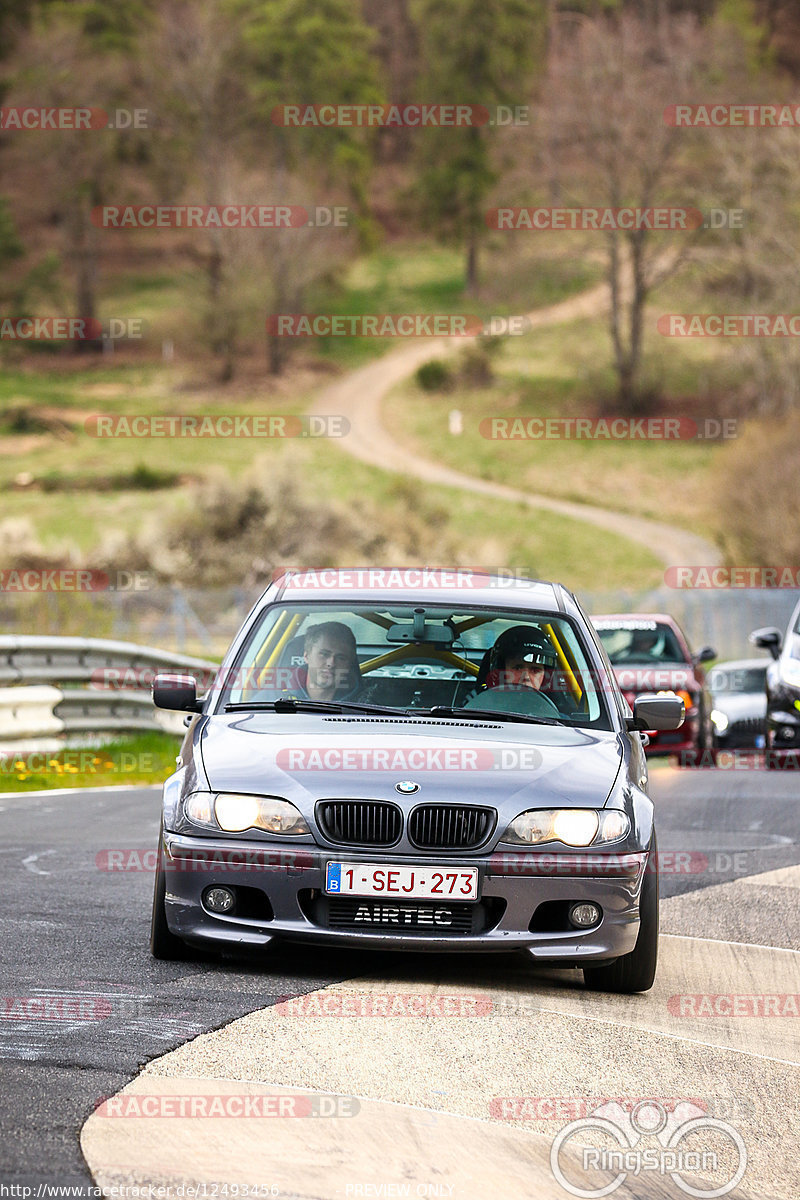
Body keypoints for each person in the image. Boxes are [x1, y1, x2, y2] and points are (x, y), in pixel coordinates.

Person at [465, 626, 561, 714]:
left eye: (535, 670)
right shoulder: (476, 706)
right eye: (517, 668)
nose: (526, 677)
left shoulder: (561, 723)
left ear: (545, 677)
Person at [283, 621, 362, 702]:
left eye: (340, 658)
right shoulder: (276, 698)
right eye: (324, 654)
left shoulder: (365, 704)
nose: (331, 663)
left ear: (349, 664)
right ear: (306, 656)